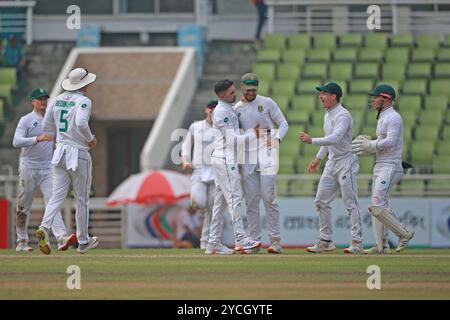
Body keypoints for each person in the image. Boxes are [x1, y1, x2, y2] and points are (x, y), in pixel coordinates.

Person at [36, 68, 99, 255]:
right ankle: (83, 241)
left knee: (56, 196)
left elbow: (46, 125)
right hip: (78, 153)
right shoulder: (84, 101)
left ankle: (44, 228)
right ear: (83, 84)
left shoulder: (57, 99)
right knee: (82, 199)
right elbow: (80, 123)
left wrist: (63, 135)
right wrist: (90, 138)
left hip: (59, 152)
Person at [300, 82, 363, 254]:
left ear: (334, 96)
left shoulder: (343, 115)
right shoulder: (328, 114)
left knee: (351, 203)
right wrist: (318, 158)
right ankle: (326, 240)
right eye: (321, 94)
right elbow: (329, 139)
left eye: (324, 93)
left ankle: (357, 242)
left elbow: (335, 138)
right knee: (321, 201)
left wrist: (312, 140)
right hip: (332, 163)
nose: (321, 96)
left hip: (346, 163)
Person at [351, 84, 415, 254]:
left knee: (377, 204)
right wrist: (369, 147)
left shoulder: (394, 117)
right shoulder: (383, 116)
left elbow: (391, 142)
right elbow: (382, 143)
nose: (373, 100)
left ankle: (404, 233)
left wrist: (370, 145)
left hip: (391, 165)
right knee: (378, 205)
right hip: (381, 164)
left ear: (386, 98)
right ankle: (382, 246)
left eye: (376, 97)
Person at [12, 88, 77, 252]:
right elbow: (16, 142)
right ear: (33, 101)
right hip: (28, 165)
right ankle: (22, 242)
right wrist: (37, 139)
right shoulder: (26, 120)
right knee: (24, 205)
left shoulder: (52, 119)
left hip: (48, 167)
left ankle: (61, 237)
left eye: (45, 99)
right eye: (40, 99)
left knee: (53, 201)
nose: (43, 102)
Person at [205, 79, 262, 255]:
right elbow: (233, 140)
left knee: (220, 203)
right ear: (222, 96)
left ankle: (213, 243)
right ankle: (241, 239)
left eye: (233, 90)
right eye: (230, 93)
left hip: (224, 159)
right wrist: (253, 134)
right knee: (234, 198)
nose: (235, 94)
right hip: (225, 159)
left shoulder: (228, 108)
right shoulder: (222, 111)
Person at [233, 73, 288, 254]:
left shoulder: (267, 102)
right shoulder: (237, 109)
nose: (251, 93)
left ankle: (276, 242)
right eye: (248, 90)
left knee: (269, 198)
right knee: (251, 201)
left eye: (254, 90)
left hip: (267, 153)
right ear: (242, 87)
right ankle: (255, 243)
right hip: (247, 157)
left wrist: (277, 139)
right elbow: (235, 136)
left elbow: (283, 123)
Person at [181, 99, 220, 249]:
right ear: (206, 110)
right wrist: (185, 160)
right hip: (199, 171)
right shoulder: (195, 126)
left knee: (213, 208)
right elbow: (186, 145)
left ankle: (206, 242)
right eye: (211, 109)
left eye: (216, 110)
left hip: (216, 172)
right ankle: (206, 239)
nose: (213, 112)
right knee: (199, 201)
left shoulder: (222, 129)